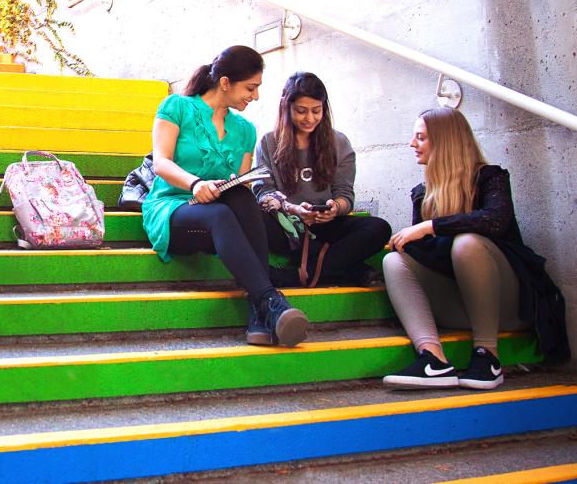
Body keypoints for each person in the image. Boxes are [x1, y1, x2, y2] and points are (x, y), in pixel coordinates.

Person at [383, 107, 569, 390]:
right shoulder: (423, 193)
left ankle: (487, 356)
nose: (412, 144)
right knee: (396, 260)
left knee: (467, 243)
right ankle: (433, 359)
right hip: (457, 305)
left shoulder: (489, 178)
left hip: (508, 306)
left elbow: (494, 221)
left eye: (420, 137)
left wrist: (429, 226)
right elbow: (427, 256)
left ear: (444, 141)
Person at [141, 45, 309, 347]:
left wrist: (230, 185)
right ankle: (268, 303)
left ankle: (261, 311)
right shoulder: (176, 107)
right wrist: (195, 184)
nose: (255, 96)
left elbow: (242, 186)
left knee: (243, 199)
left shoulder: (244, 129)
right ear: (225, 82)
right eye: (251, 87)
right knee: (220, 214)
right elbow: (161, 163)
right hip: (173, 208)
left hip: (221, 220)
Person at [251, 72, 392, 288]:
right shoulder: (268, 142)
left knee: (379, 228)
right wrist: (295, 210)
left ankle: (297, 275)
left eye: (316, 111)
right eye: (301, 111)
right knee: (253, 219)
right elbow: (263, 193)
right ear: (286, 108)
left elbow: (345, 194)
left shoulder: (339, 142)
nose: (309, 118)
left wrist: (335, 208)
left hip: (327, 224)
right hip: (287, 225)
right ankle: (349, 270)